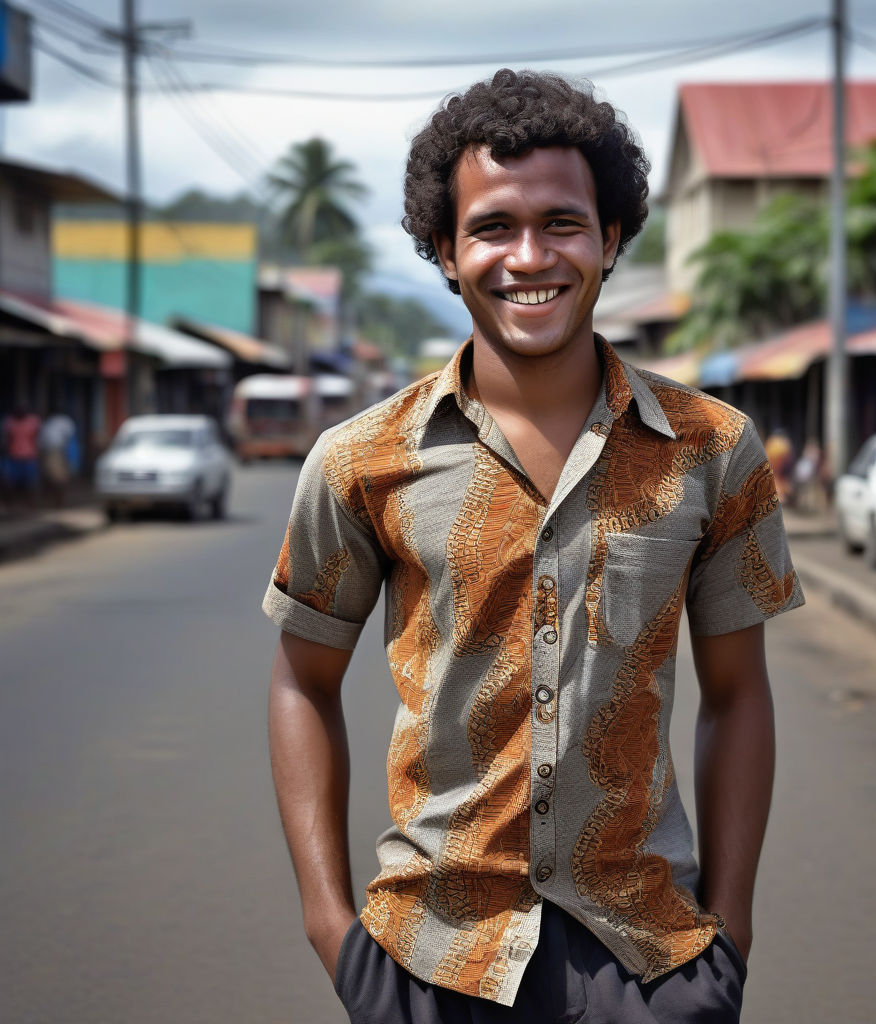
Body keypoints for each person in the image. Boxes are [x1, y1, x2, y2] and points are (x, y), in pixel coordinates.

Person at [263, 69, 804, 1024]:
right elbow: (302, 682)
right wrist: (327, 924)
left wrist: (733, 930)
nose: (528, 256)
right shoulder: (360, 460)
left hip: (650, 955)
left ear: (611, 240)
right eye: (491, 227)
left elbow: (737, 694)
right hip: (428, 956)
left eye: (561, 222)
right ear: (444, 248)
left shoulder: (714, 451)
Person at [2, 402, 42, 505]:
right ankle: (11, 502)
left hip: (30, 455)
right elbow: (7, 439)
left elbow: (37, 437)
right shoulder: (9, 422)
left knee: (31, 481)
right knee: (9, 481)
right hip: (13, 455)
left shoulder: (33, 421)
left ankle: (31, 502)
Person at [39, 411, 77, 507]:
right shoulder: (50, 422)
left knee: (59, 479)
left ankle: (60, 502)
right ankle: (56, 501)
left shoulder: (62, 422)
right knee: (54, 478)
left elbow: (70, 439)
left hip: (58, 452)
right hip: (51, 452)